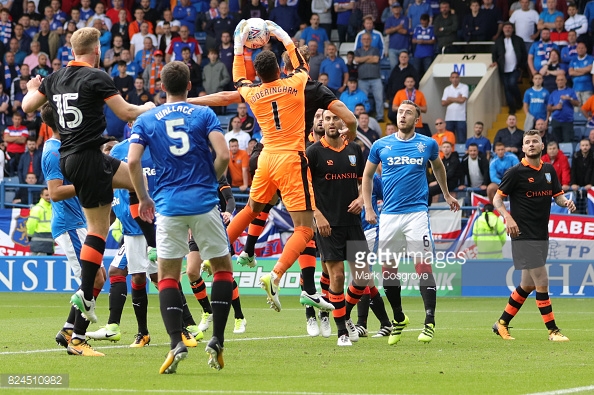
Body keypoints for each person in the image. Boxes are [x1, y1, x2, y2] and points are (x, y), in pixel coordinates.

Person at [21, 27, 156, 329]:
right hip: (89, 157)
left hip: (73, 158)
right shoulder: (97, 77)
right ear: (96, 51)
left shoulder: (55, 78)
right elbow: (125, 113)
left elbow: (27, 106)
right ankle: (86, 295)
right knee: (97, 229)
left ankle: (151, 240)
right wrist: (147, 107)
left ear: (71, 50)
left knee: (135, 181)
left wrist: (33, 86)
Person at [128, 60, 233, 373]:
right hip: (204, 203)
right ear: (190, 85)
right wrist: (209, 182)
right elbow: (225, 155)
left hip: (168, 206)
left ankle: (176, 341)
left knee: (168, 275)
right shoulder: (204, 114)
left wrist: (145, 197)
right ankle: (216, 339)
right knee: (222, 269)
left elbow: (133, 162)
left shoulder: (147, 119)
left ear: (162, 87)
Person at [224, 21, 334, 313]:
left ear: (258, 73)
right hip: (290, 158)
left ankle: (217, 255)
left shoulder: (252, 93)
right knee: (305, 229)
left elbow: (238, 79)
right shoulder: (295, 82)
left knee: (250, 210)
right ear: (278, 68)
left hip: (266, 157)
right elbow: (298, 63)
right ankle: (275, 276)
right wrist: (281, 33)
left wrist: (238, 45)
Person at [362, 100, 460, 345]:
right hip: (389, 215)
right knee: (388, 270)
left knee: (422, 267)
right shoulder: (380, 145)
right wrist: (368, 207)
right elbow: (367, 176)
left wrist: (446, 194)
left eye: (408, 113)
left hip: (416, 213)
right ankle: (398, 317)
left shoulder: (427, 144)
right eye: (400, 112)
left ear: (417, 119)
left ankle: (429, 322)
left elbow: (438, 168)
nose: (402, 115)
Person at [492, 129, 575, 342]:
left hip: (541, 234)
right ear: (522, 147)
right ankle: (553, 331)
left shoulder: (548, 170)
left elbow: (557, 197)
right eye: (527, 142)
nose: (530, 145)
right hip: (522, 234)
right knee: (542, 280)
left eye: (534, 141)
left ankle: (501, 324)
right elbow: (497, 200)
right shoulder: (515, 172)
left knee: (527, 285)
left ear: (541, 146)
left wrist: (566, 202)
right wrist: (508, 219)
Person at [40, 103, 106, 356]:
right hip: (69, 224)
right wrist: (88, 183)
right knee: (95, 279)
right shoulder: (53, 153)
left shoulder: (60, 148)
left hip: (76, 222)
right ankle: (77, 341)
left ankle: (69, 329)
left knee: (97, 277)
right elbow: (55, 193)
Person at [306, 109, 372, 346]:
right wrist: (317, 215)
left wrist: (363, 200)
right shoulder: (313, 153)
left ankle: (340, 311)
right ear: (321, 122)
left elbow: (365, 179)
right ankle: (342, 332)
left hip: (353, 223)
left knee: (363, 276)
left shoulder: (354, 149)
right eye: (327, 119)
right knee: (337, 276)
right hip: (328, 225)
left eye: (336, 118)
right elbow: (305, 188)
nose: (331, 122)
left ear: (343, 122)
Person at [490, 22, 527, 115]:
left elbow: (524, 54)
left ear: (512, 29)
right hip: (503, 69)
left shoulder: (519, 40)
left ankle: (519, 101)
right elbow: (494, 53)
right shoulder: (498, 41)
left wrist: (521, 67)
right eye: (506, 28)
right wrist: (494, 61)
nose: (507, 29)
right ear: (503, 29)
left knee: (512, 83)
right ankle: (512, 107)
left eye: (509, 28)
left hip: (515, 68)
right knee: (506, 88)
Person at [547, 74, 579, 143]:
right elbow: (549, 108)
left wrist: (569, 99)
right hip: (556, 121)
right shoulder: (553, 93)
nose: (560, 81)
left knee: (567, 142)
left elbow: (577, 103)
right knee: (556, 142)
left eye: (562, 80)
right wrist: (555, 107)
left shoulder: (571, 91)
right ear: (556, 81)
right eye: (558, 80)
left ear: (565, 81)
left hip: (568, 121)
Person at [441, 71, 469, 143]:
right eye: (453, 77)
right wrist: (457, 99)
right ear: (450, 79)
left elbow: (462, 100)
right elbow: (443, 103)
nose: (455, 79)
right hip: (449, 118)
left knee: (462, 140)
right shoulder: (447, 89)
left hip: (461, 118)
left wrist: (450, 98)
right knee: (449, 140)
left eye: (456, 77)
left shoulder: (464, 87)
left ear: (459, 78)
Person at [26, 187, 53, 255]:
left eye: (50, 194)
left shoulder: (53, 208)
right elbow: (31, 224)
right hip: (39, 242)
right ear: (41, 195)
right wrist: (29, 235)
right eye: (46, 195)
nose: (49, 197)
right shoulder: (37, 209)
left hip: (48, 242)